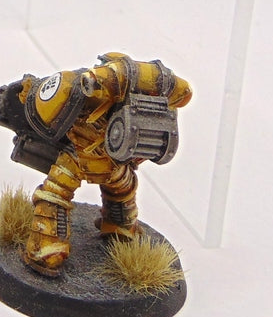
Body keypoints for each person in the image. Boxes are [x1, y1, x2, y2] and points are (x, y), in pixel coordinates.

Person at [14, 53, 192, 275]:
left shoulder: (109, 89)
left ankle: (50, 249)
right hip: (104, 157)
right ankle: (111, 232)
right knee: (118, 191)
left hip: (92, 156)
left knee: (57, 193)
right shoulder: (119, 97)